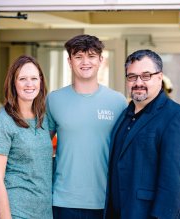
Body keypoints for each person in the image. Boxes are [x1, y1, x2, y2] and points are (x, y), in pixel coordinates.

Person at [104, 49, 180, 219]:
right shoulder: (124, 116)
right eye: (132, 76)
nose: (138, 82)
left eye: (146, 76)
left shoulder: (177, 117)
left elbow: (173, 185)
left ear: (160, 77)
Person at [46, 34, 127, 219]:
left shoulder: (118, 101)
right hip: (64, 200)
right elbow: (41, 146)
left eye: (91, 56)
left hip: (107, 199)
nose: (85, 62)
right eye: (78, 56)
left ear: (100, 60)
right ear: (69, 61)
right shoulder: (54, 99)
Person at [0, 55, 53, 219]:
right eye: (22, 79)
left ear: (41, 82)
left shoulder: (43, 119)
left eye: (34, 78)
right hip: (13, 212)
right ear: (13, 83)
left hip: (42, 212)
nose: (29, 84)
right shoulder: (2, 121)